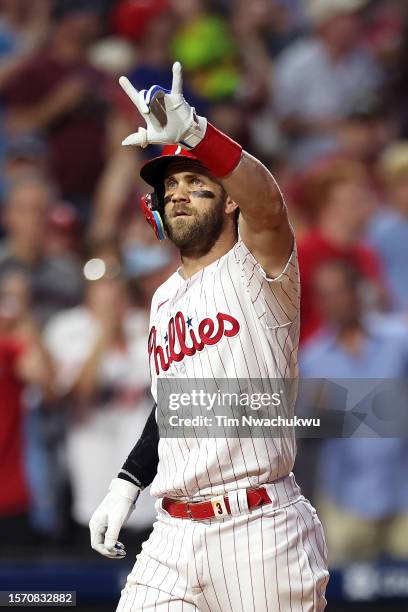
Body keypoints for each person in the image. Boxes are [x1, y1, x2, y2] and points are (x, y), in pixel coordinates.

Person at [89, 62, 328, 610]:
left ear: (229, 200)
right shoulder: (162, 298)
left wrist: (197, 135)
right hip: (172, 533)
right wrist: (126, 483)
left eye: (198, 185)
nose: (179, 194)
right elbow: (171, 408)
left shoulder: (260, 263)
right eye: (171, 186)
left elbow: (268, 203)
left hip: (259, 527)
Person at [300, 260, 408, 564]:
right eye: (326, 295)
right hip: (345, 500)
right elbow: (304, 434)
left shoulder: (399, 341)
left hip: (402, 492)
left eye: (340, 291)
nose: (335, 302)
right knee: (343, 594)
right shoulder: (312, 360)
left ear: (357, 292)